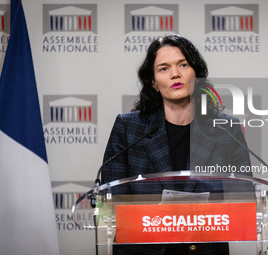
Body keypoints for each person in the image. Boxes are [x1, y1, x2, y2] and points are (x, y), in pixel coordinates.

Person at [101, 35, 251, 255]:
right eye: (163, 68)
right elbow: (111, 202)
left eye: (183, 65)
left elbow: (243, 197)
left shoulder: (227, 129)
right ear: (153, 83)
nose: (175, 74)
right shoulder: (128, 128)